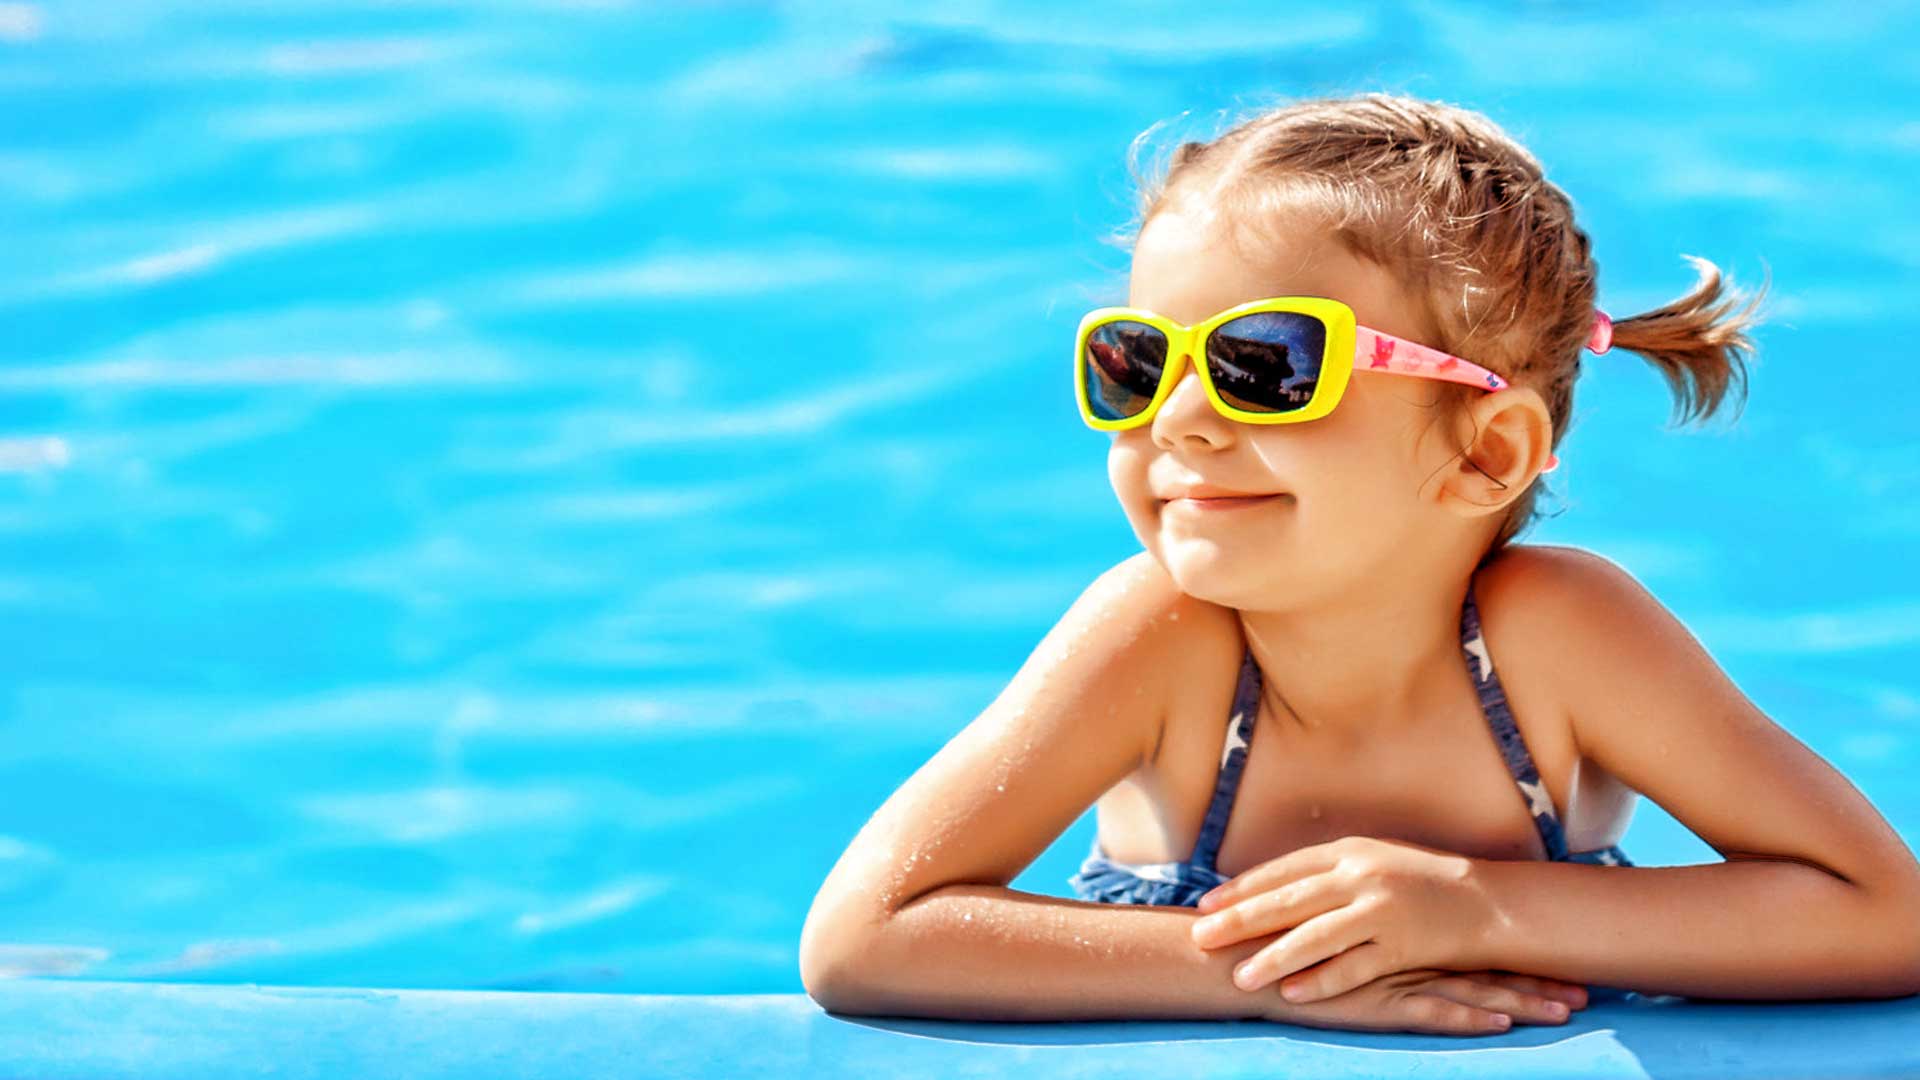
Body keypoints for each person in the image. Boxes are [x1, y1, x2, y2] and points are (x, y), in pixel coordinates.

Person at [798, 91, 1920, 1036]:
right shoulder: (1161, 637)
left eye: (1264, 363)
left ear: (1488, 450)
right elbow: (866, 936)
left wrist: (1477, 910)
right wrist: (1266, 971)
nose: (1178, 420)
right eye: (1140, 362)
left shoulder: (1563, 639)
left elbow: (1883, 913)